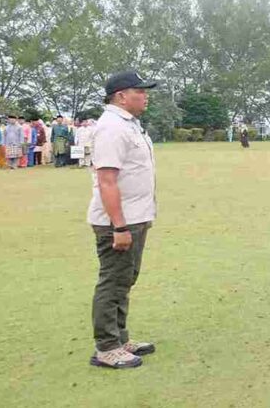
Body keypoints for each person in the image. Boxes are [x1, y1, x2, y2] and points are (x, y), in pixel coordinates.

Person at [87, 70, 159, 369]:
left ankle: (119, 337)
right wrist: (120, 226)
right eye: (139, 91)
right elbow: (107, 180)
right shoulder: (112, 128)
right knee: (113, 281)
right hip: (119, 221)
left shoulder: (129, 125)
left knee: (125, 280)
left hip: (135, 217)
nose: (145, 96)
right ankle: (106, 347)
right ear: (121, 96)